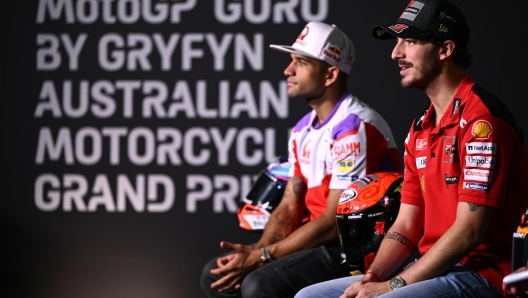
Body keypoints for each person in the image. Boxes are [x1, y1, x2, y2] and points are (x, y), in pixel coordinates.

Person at [295, 0, 528, 297]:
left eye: (410, 41)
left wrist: (391, 286)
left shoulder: (483, 122)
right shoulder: (420, 129)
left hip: (483, 275)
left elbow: (469, 232)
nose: (396, 53)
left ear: (445, 50)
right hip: (430, 268)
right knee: (309, 296)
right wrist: (372, 278)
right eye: (397, 42)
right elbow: (406, 224)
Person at [200, 21, 401, 298]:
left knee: (259, 284)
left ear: (330, 75)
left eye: (301, 63)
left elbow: (334, 224)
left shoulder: (353, 126)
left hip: (356, 250)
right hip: (317, 239)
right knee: (218, 274)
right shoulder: (302, 129)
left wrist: (262, 258)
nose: (288, 70)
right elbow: (290, 204)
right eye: (291, 61)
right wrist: (253, 253)